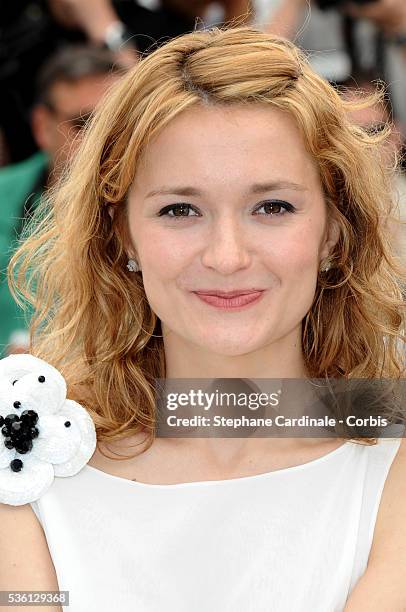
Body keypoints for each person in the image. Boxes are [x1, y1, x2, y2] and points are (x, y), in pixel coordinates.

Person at [1, 25, 406, 612]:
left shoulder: (393, 446)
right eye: (180, 209)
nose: (227, 256)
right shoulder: (29, 454)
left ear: (334, 233)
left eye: (272, 206)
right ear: (123, 236)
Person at [0, 45, 124, 357]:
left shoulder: (162, 206)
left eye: (115, 124)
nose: (100, 141)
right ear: (42, 127)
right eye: (82, 124)